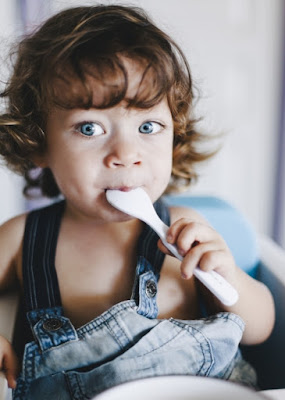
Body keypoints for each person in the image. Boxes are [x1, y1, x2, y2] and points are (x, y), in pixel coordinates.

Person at [0, 4, 274, 399]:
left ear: (174, 134)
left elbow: (261, 330)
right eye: (90, 128)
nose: (125, 153)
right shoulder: (22, 239)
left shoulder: (185, 229)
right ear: (40, 142)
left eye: (148, 126)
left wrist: (226, 275)